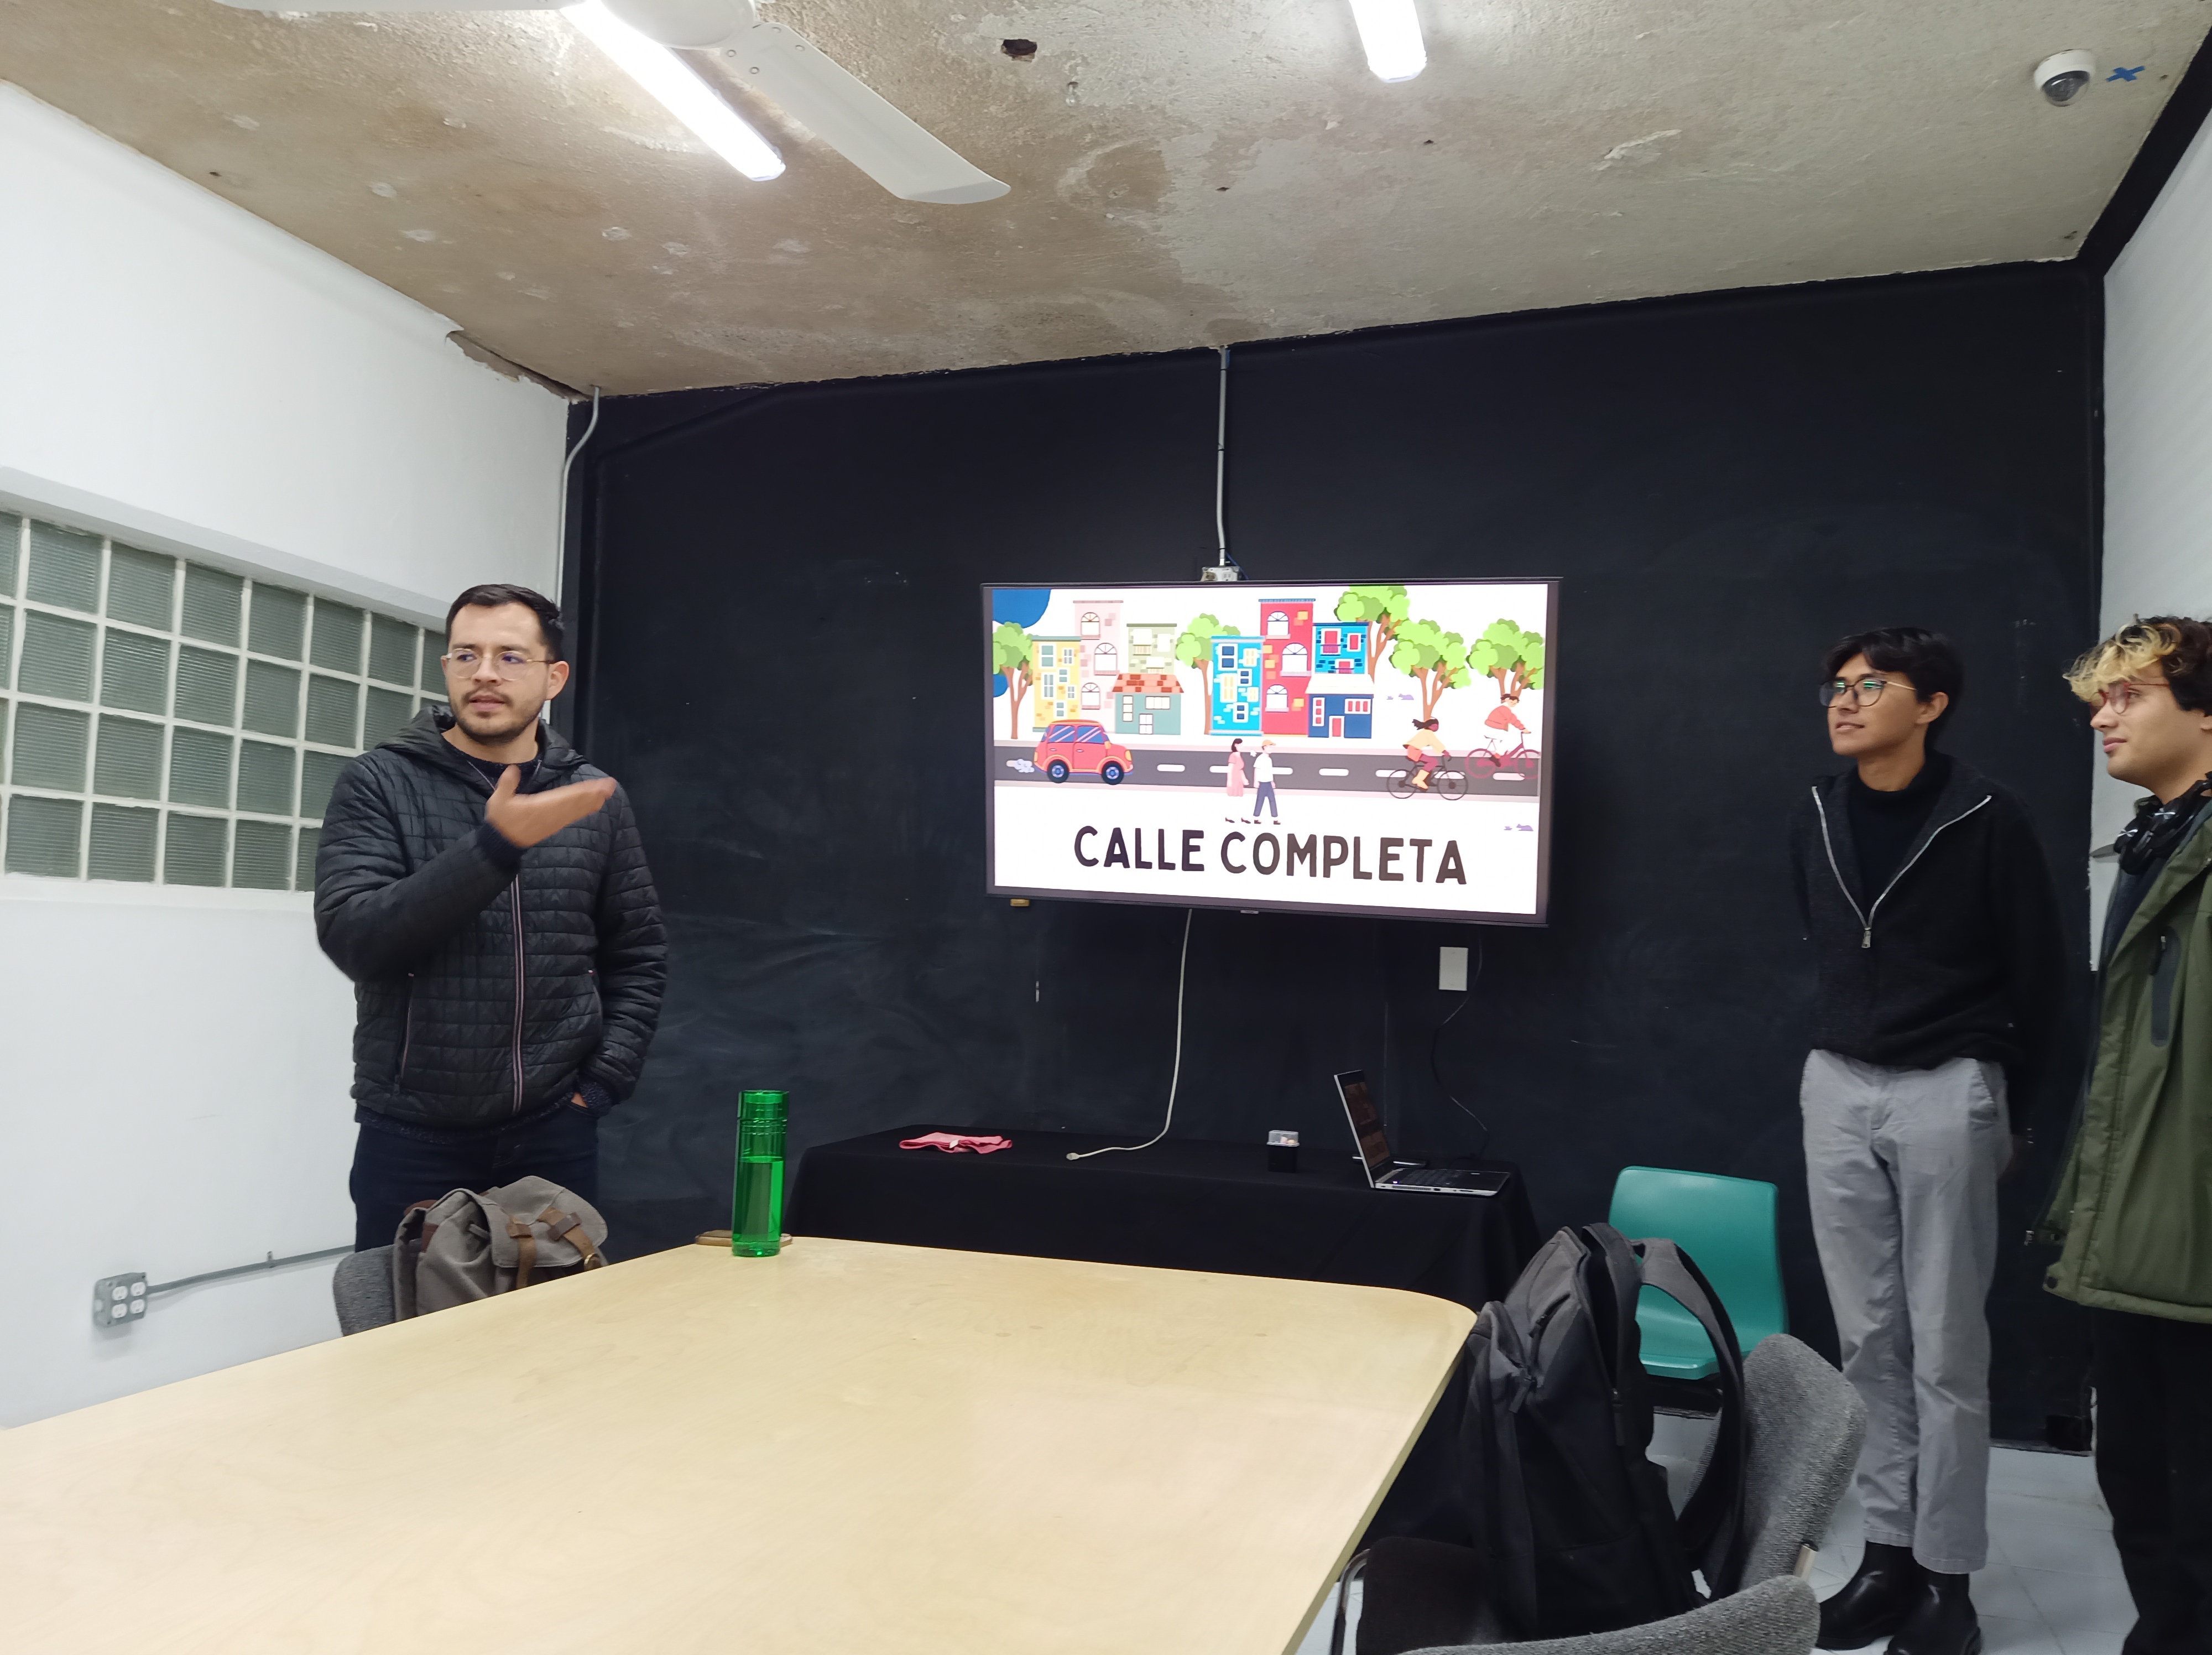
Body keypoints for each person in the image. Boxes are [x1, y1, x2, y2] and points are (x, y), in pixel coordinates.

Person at [1790, 627, 2065, 1655]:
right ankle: (1888, 1560)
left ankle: (1949, 1582)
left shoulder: (1989, 816)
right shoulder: (1818, 811)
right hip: (1838, 1081)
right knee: (1869, 1339)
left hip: (1952, 1085)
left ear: (1933, 705)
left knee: (1948, 1348)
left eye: (1873, 685)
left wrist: (2016, 1112)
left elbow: (2041, 974)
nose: (1845, 700)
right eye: (1837, 684)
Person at [316, 583, 667, 1253]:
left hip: (554, 1130)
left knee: (554, 1317)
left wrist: (598, 1086)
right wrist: (493, 847)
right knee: (407, 1317)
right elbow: (357, 940)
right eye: (466, 655)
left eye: (510, 657)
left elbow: (639, 955)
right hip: (412, 1135)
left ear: (553, 677)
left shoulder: (592, 796)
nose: (483, 673)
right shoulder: (379, 781)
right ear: (446, 667)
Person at [2041, 617, 2212, 1655]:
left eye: (2130, 695)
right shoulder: (2155, 842)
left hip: (2195, 1236)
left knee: (2197, 1505)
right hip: (2132, 1233)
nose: (2104, 716)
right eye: (2100, 698)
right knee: (2139, 1483)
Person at [1406, 718, 1447, 790]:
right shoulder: (1428, 733)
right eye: (1434, 726)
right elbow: (1436, 743)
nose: (1436, 728)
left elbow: (1431, 743)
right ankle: (1418, 779)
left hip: (1414, 750)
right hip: (1414, 751)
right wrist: (1445, 752)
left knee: (1430, 765)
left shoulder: (1426, 733)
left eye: (1437, 726)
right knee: (1433, 761)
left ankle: (1427, 780)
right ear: (1429, 726)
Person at [1252, 740, 1280, 821]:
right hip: (1263, 783)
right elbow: (1257, 769)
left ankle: (1275, 818)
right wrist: (1256, 781)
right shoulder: (1260, 758)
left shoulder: (1269, 759)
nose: (1271, 749)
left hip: (1268, 783)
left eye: (1271, 747)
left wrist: (1272, 781)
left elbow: (1269, 772)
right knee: (1260, 800)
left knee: (1272, 799)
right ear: (1265, 747)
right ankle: (1256, 818)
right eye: (1269, 747)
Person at [1224, 736, 1248, 823]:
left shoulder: (1240, 757)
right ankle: (1229, 817)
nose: (1242, 747)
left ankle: (1242, 817)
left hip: (1239, 780)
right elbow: (1230, 769)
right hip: (1234, 779)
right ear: (1236, 745)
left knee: (1240, 799)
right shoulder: (1233, 756)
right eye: (1240, 745)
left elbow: (1240, 769)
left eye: (1242, 745)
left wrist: (1244, 779)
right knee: (1233, 799)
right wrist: (1229, 781)